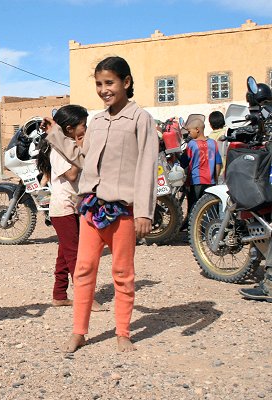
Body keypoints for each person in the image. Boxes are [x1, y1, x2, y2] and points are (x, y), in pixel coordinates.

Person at [44, 56, 159, 352]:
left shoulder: (140, 119)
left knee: (122, 273)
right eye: (99, 84)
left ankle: (123, 332)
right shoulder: (96, 121)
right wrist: (55, 134)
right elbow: (83, 159)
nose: (104, 89)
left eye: (109, 82)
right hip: (91, 209)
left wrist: (145, 212)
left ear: (126, 82)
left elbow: (147, 165)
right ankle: (79, 332)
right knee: (83, 270)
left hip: (122, 211)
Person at [35, 105, 102, 311]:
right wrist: (81, 149)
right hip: (63, 208)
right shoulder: (58, 149)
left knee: (65, 254)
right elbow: (72, 175)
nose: (86, 128)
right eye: (83, 125)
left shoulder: (68, 146)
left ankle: (59, 295)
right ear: (71, 128)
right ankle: (86, 298)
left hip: (73, 206)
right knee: (76, 255)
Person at [180, 118, 222, 218]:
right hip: (210, 181)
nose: (189, 134)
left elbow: (184, 162)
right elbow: (218, 163)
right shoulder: (213, 143)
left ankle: (193, 230)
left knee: (194, 208)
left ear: (197, 129)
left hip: (195, 181)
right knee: (211, 208)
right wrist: (215, 179)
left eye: (190, 131)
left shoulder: (191, 144)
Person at [207, 110, 228, 183]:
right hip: (227, 170)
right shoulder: (226, 133)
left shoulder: (210, 138)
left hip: (216, 171)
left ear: (210, 125)